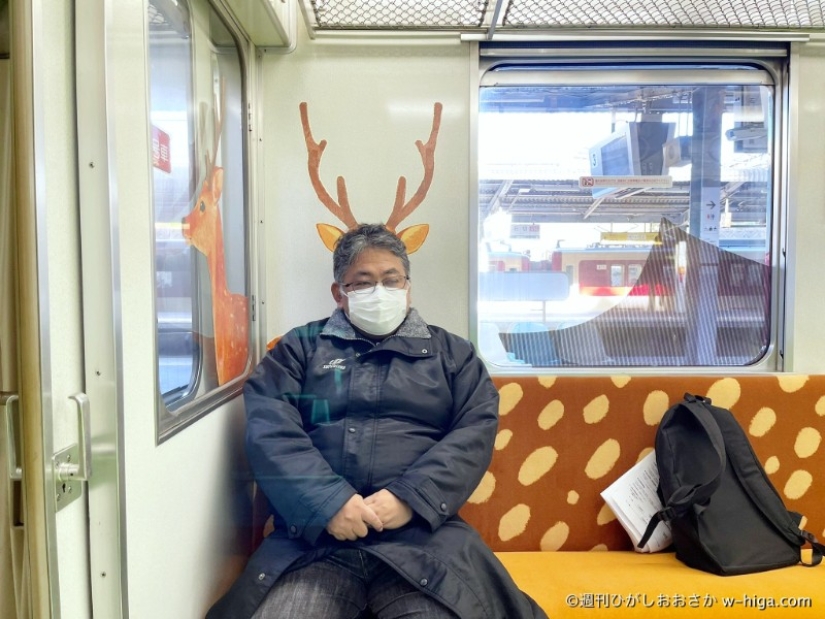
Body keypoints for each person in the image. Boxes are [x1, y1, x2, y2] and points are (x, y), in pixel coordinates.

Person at [207, 223, 546, 619]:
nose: (379, 292)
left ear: (407, 287)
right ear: (339, 293)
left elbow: (474, 433)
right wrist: (329, 504)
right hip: (315, 544)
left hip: (425, 544)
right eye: (363, 283)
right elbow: (271, 431)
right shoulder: (299, 349)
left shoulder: (453, 355)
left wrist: (409, 498)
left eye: (391, 280)